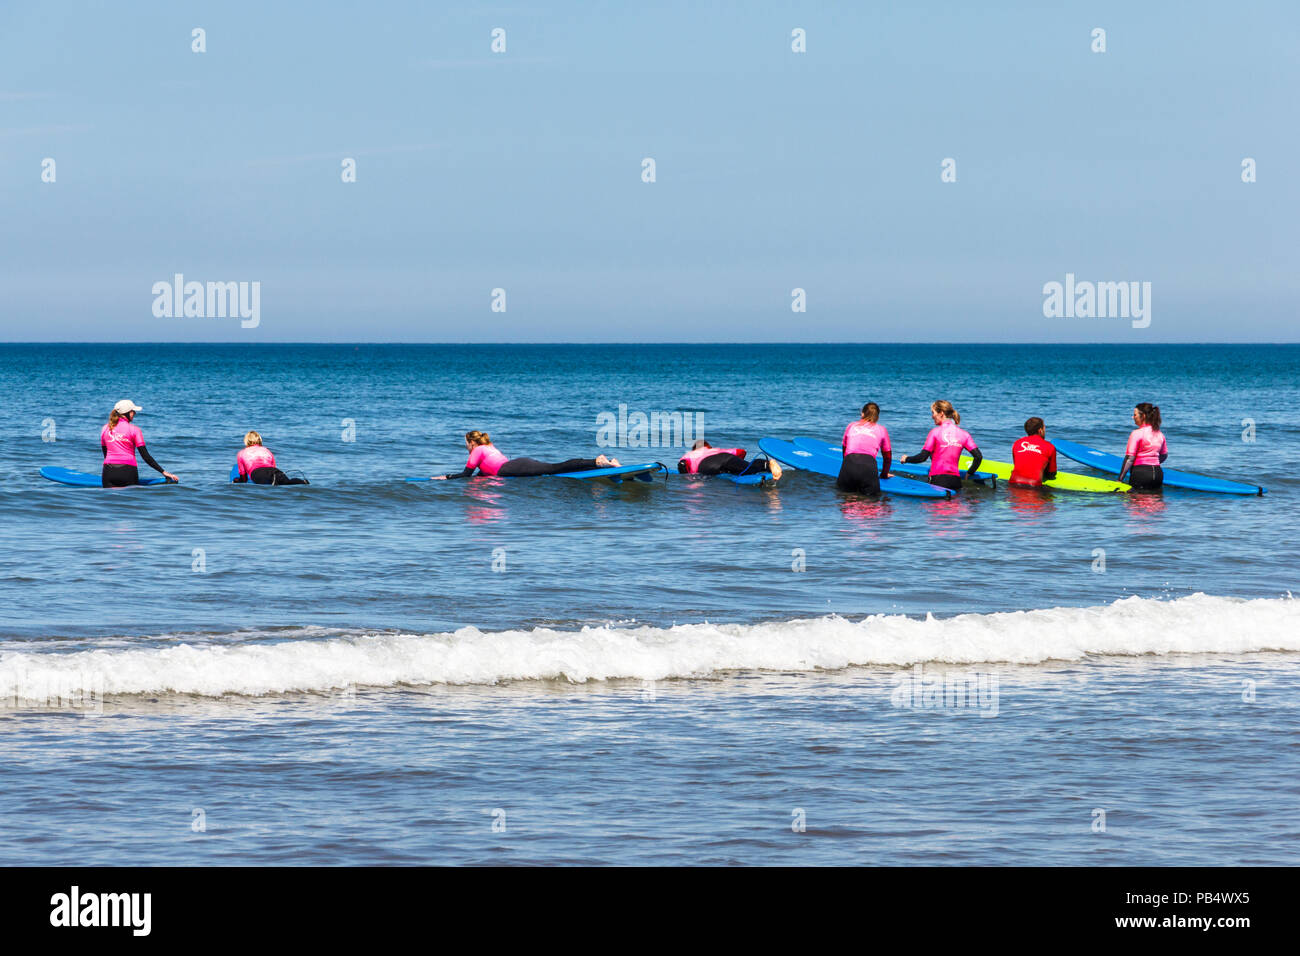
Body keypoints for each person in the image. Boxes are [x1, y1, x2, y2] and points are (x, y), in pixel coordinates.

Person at [432, 430, 622, 479]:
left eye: (466, 443)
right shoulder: (489, 447)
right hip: (517, 464)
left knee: (555, 469)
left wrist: (446, 477)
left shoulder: (477, 451)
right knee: (555, 469)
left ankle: (598, 461)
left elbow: (466, 475)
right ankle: (602, 464)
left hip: (513, 468)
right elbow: (484, 473)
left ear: (471, 443)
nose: (466, 447)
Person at [898, 399, 983, 492]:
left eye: (933, 413)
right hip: (956, 482)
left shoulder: (935, 432)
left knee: (937, 506)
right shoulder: (964, 434)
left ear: (941, 413)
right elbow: (978, 456)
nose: (932, 416)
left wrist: (906, 459)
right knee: (954, 505)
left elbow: (922, 457)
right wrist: (970, 472)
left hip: (938, 481)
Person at [100, 399, 179, 487]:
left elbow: (106, 454)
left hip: (108, 471)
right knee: (129, 500)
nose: (135, 414)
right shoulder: (135, 430)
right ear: (128, 413)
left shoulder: (105, 428)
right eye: (133, 411)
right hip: (127, 472)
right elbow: (145, 456)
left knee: (108, 500)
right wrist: (163, 472)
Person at [837, 402, 890, 493]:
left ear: (862, 413)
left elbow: (845, 450)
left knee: (845, 500)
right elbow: (887, 457)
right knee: (871, 503)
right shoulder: (882, 430)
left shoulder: (851, 426)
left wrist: (847, 467)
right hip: (868, 467)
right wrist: (884, 474)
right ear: (877, 416)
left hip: (848, 464)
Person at [1118, 402, 1167, 490]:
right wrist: (1152, 462)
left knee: (1136, 501)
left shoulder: (1136, 433)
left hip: (1141, 474)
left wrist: (1120, 479)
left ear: (1143, 416)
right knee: (1156, 501)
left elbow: (1130, 458)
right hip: (1158, 473)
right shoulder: (1160, 434)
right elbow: (1164, 455)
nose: (1133, 417)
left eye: (1135, 415)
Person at [234, 431, 309, 485]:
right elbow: (273, 466)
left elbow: (243, 477)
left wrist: (237, 481)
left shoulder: (241, 453)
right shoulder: (267, 450)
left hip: (257, 473)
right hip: (274, 471)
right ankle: (302, 482)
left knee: (268, 483)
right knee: (287, 482)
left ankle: (273, 481)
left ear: (246, 441)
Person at [677, 440, 781, 479]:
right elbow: (741, 452)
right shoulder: (716, 450)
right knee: (749, 468)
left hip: (706, 465)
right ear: (708, 447)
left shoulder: (690, 454)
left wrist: (685, 476)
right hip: (726, 457)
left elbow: (682, 464)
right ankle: (766, 465)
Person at [1009, 417, 1058, 488]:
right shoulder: (1049, 447)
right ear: (1040, 430)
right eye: (1044, 428)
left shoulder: (1017, 443)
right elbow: (1051, 474)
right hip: (1034, 487)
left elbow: (1018, 464)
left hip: (1013, 483)